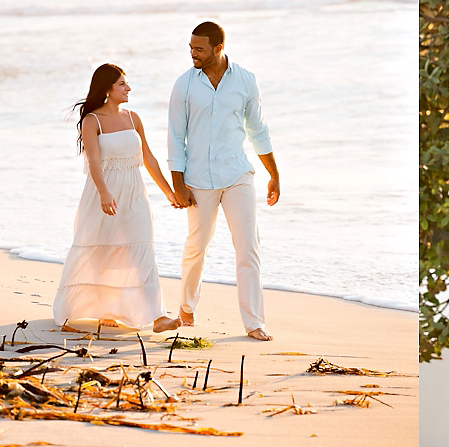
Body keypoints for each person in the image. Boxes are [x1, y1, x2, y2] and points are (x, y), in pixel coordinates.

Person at [168, 21, 280, 341]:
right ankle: (187, 306)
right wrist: (178, 182)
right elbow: (176, 137)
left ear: (218, 49)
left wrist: (273, 173)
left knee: (248, 247)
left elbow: (258, 129)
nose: (192, 53)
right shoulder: (184, 85)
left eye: (199, 49)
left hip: (237, 175)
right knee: (196, 246)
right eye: (190, 47)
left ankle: (254, 322)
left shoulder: (245, 80)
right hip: (199, 179)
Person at [54, 64, 181, 334]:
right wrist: (103, 192)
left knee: (142, 248)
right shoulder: (92, 121)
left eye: (127, 83)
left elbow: (148, 158)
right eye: (122, 84)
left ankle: (158, 316)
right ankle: (98, 309)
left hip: (135, 193)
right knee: (100, 250)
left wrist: (168, 191)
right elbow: (93, 161)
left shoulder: (133, 118)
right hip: (104, 192)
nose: (128, 88)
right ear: (108, 89)